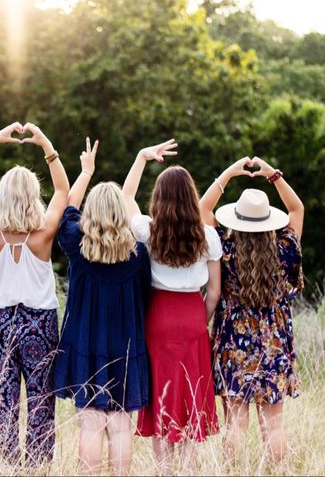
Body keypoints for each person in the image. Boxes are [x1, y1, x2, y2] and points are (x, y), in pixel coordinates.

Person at [0, 122, 69, 464]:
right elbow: (61, 190)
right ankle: (37, 467)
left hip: (0, 324)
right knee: (41, 401)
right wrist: (45, 145)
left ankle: (2, 464)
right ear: (32, 197)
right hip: (40, 325)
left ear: (3, 195)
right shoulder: (43, 235)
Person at [53, 139, 151, 474]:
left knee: (90, 424)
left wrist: (86, 172)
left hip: (85, 344)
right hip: (127, 346)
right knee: (122, 426)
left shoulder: (74, 243)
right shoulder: (139, 253)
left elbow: (67, 206)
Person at [124, 140, 223, 471]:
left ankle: (164, 469)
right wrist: (201, 321)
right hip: (192, 315)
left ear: (159, 197)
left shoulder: (149, 230)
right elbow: (214, 292)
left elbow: (125, 201)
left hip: (159, 316)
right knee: (191, 395)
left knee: (162, 392)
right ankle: (187, 469)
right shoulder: (208, 236)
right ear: (191, 196)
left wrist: (141, 157)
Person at [200, 156, 304, 465]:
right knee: (273, 424)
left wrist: (230, 173)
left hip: (234, 347)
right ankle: (276, 472)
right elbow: (297, 209)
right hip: (274, 346)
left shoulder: (225, 250)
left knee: (235, 422)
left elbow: (203, 209)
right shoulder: (286, 249)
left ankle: (232, 472)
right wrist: (273, 174)